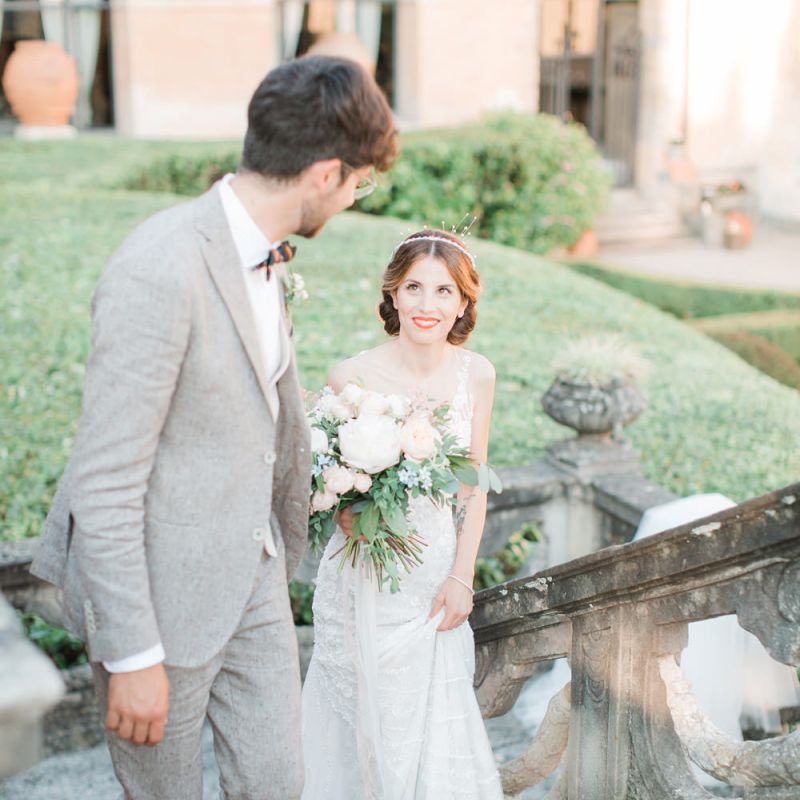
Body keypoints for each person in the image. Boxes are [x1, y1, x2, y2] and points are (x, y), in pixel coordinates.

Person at [30, 55, 397, 800]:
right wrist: (132, 654)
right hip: (159, 596)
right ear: (324, 173)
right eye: (358, 183)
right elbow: (104, 481)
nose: (353, 198)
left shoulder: (263, 254)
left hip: (254, 573)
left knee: (277, 784)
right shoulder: (158, 268)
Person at [301, 230, 504, 799]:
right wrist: (343, 509)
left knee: (430, 723)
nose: (426, 304)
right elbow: (323, 473)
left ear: (462, 303)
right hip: (364, 574)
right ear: (392, 294)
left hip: (434, 581)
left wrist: (462, 577)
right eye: (413, 287)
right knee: (361, 722)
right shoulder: (350, 376)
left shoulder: (477, 375)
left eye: (443, 291)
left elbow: (473, 487)